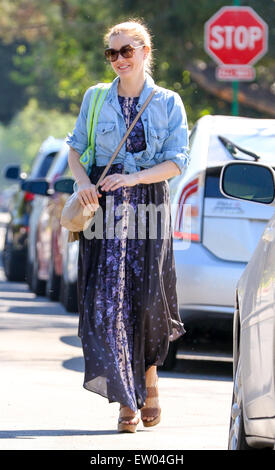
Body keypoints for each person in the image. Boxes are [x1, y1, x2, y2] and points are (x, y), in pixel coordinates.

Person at [66, 18, 190, 433]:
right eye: (111, 53)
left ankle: (149, 375)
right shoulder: (96, 98)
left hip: (148, 208)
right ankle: (125, 400)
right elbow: (75, 148)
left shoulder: (168, 102)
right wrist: (84, 183)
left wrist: (134, 178)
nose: (118, 60)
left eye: (126, 51)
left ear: (144, 52)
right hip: (104, 212)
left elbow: (177, 162)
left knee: (147, 300)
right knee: (106, 303)